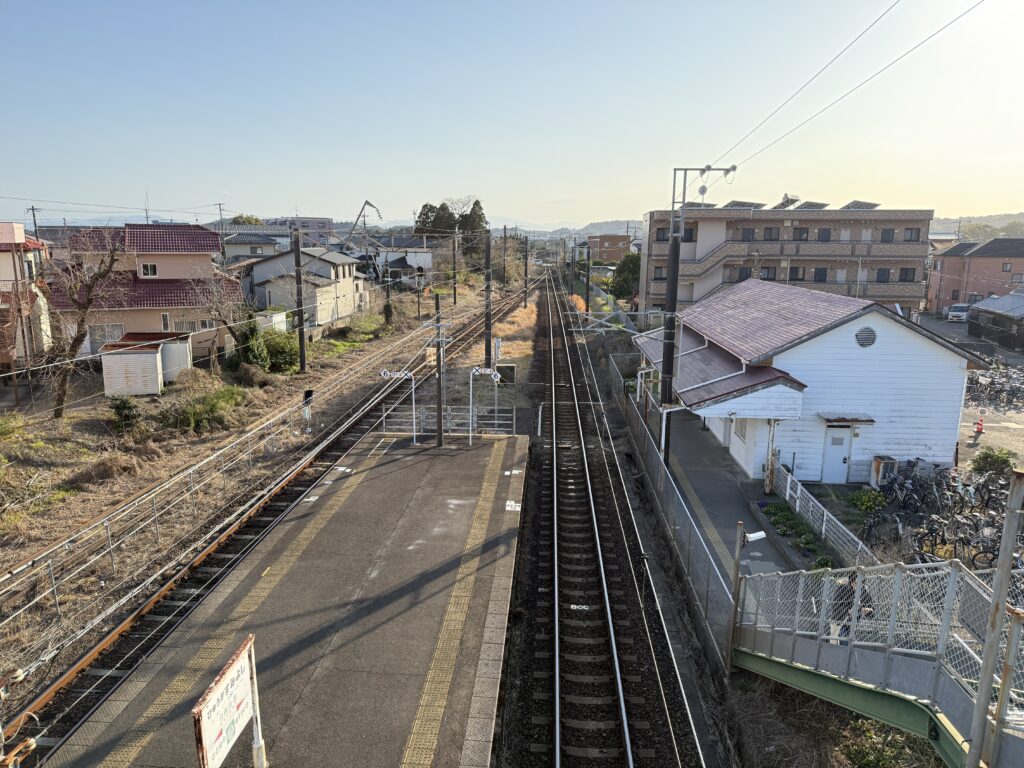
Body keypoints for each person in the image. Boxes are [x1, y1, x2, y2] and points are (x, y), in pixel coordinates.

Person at [829, 571, 873, 645]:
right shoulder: (843, 588)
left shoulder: (864, 591)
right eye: (856, 583)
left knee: (847, 644)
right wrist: (848, 611)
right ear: (851, 582)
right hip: (840, 621)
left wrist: (868, 610)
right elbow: (836, 606)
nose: (858, 586)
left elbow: (871, 611)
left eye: (861, 584)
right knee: (837, 643)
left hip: (853, 624)